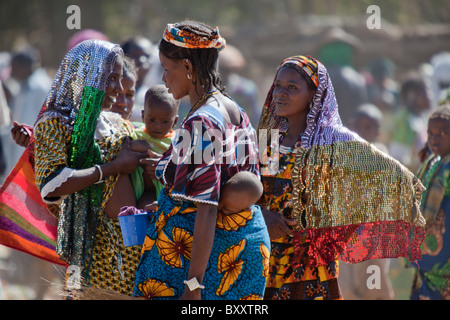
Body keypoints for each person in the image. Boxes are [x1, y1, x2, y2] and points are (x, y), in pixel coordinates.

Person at [257, 55, 426, 300]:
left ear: (315, 94)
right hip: (268, 261)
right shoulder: (268, 140)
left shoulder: (336, 142)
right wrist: (262, 216)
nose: (281, 93)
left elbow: (398, 180)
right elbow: (254, 193)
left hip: (314, 269)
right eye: (278, 86)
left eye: (292, 87)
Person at [132, 20, 270, 300]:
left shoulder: (202, 121)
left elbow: (207, 209)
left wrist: (193, 287)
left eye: (167, 68)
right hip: (244, 250)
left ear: (187, 67)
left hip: (205, 264)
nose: (163, 78)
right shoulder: (234, 109)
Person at [32, 39, 148, 295]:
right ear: (89, 75)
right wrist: (113, 167)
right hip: (94, 253)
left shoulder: (116, 124)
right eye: (112, 78)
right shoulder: (56, 124)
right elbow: (51, 186)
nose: (119, 88)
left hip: (130, 247)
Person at [410, 103, 450, 300]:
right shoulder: (430, 164)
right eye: (431, 133)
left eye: (443, 133)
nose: (435, 138)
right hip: (427, 259)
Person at [130, 84, 179, 207]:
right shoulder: (136, 134)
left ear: (175, 122)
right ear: (142, 116)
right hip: (136, 187)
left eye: (165, 122)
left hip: (161, 193)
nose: (157, 125)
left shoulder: (176, 143)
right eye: (152, 120)